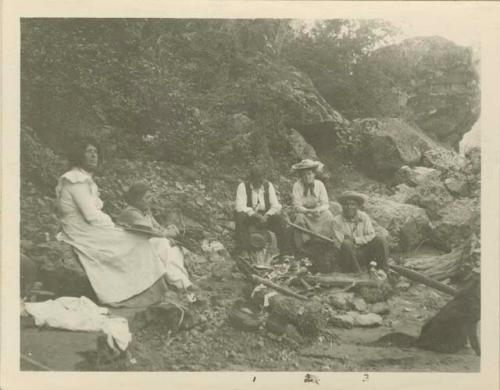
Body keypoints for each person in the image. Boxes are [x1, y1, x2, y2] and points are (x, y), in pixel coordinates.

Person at [55, 137, 190, 306]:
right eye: (89, 151)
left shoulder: (85, 180)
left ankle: (158, 287)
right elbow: (90, 215)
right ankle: (132, 292)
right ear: (78, 155)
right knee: (136, 241)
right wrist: (112, 226)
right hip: (82, 232)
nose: (93, 155)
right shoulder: (75, 180)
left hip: (92, 228)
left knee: (139, 239)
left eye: (96, 152)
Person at [116, 182, 195, 296]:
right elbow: (149, 231)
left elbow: (157, 228)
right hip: (130, 247)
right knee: (162, 243)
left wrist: (167, 230)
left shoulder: (145, 211)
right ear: (137, 199)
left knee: (175, 250)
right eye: (147, 197)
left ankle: (182, 282)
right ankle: (181, 283)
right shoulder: (130, 212)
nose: (151, 200)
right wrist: (167, 234)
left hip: (144, 243)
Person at [234, 165, 292, 257]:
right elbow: (240, 207)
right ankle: (243, 249)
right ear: (251, 179)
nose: (258, 183)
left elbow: (275, 205)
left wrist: (267, 215)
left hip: (265, 217)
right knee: (240, 216)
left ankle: (285, 253)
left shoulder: (268, 185)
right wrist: (256, 215)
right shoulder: (243, 186)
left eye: (260, 181)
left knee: (280, 220)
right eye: (256, 181)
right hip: (251, 217)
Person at [333, 191, 388, 272]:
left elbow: (371, 235)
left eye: (352, 204)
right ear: (342, 206)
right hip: (347, 257)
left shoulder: (364, 217)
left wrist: (356, 240)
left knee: (380, 239)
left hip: (363, 252)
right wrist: (350, 243)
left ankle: (383, 270)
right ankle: (357, 272)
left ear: (357, 206)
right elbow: (340, 243)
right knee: (346, 243)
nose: (349, 207)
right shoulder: (337, 220)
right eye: (346, 204)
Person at [291, 159, 336, 252]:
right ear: (300, 176)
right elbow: (297, 205)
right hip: (304, 213)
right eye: (304, 174)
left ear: (314, 174)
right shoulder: (297, 186)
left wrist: (318, 210)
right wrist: (307, 211)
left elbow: (325, 203)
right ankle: (304, 246)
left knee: (329, 216)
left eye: (309, 174)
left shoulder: (320, 185)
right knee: (299, 218)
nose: (307, 177)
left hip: (317, 213)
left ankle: (324, 241)